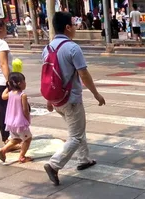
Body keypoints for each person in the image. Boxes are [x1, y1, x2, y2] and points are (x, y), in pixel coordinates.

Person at [42, 11, 105, 186]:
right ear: (68, 27)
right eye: (74, 24)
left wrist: (49, 99)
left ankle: (84, 159)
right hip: (71, 99)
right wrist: (96, 94)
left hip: (56, 99)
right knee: (76, 136)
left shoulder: (47, 49)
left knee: (77, 129)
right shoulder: (72, 48)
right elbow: (83, 74)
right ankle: (54, 164)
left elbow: (48, 77)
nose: (76, 27)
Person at [0, 72, 33, 163]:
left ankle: (3, 150)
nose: (25, 83)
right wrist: (27, 118)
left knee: (16, 139)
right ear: (20, 83)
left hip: (11, 122)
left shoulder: (10, 93)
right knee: (27, 139)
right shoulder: (22, 95)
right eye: (24, 81)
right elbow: (25, 110)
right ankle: (22, 157)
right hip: (20, 122)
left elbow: (2, 96)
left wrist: (8, 87)